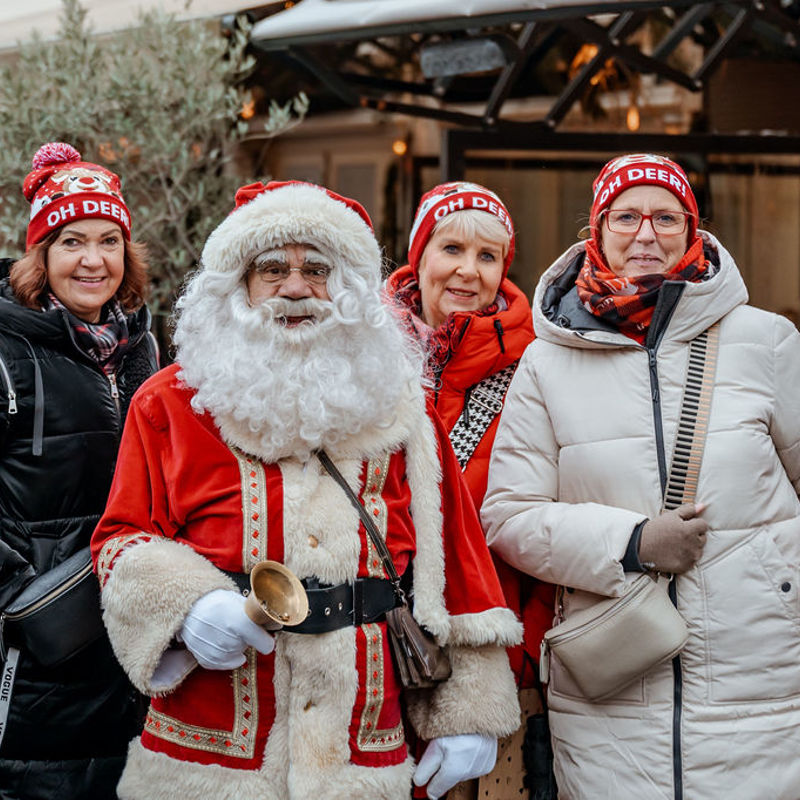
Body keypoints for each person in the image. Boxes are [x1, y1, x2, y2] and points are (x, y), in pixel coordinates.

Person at [89, 180, 522, 800]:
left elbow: (454, 553)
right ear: (237, 283)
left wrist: (468, 710)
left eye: (317, 270)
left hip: (361, 739)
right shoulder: (169, 403)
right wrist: (186, 607)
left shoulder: (398, 402)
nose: (295, 288)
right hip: (210, 751)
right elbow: (119, 539)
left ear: (347, 285)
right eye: (272, 269)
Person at [481, 153, 800, 798]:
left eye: (666, 217)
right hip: (611, 698)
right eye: (626, 216)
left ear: (693, 230)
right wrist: (629, 541)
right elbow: (508, 517)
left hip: (762, 687)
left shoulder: (768, 342)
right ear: (596, 233)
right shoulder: (546, 364)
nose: (646, 233)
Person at [385, 182, 556, 797]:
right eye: (451, 248)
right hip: (370, 663)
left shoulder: (535, 370)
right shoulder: (362, 357)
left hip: (491, 666)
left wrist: (522, 662)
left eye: (488, 256)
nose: (467, 270)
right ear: (419, 257)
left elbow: (546, 525)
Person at [0, 142, 158, 798]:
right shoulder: (7, 353)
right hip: (36, 664)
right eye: (71, 241)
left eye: (108, 240)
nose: (93, 260)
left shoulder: (143, 346)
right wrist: (20, 598)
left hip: (134, 651)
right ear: (40, 254)